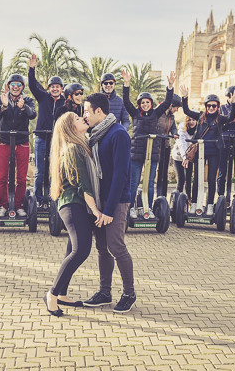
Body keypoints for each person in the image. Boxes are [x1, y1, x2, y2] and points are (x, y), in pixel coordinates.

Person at [81, 93, 136, 313]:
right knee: (102, 248)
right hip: (101, 200)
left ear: (99, 112)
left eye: (86, 111)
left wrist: (110, 209)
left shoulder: (118, 134)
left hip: (116, 201)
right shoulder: (96, 134)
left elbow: (121, 175)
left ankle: (129, 294)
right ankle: (105, 292)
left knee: (116, 247)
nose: (83, 115)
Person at [44, 112, 102, 316]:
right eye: (77, 119)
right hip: (73, 205)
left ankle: (62, 294)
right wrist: (95, 210)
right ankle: (51, 294)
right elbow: (83, 184)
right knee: (81, 250)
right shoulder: (74, 149)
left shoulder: (76, 146)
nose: (82, 119)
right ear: (70, 128)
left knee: (72, 251)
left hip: (72, 205)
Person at [121, 69, 176, 216]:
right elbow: (126, 101)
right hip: (137, 153)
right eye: (143, 102)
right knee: (134, 182)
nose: (145, 104)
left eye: (147, 102)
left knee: (150, 183)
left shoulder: (156, 113)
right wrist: (126, 84)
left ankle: (148, 209)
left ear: (151, 104)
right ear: (139, 104)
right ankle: (131, 208)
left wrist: (170, 86)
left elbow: (167, 102)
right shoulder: (135, 114)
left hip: (152, 153)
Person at [179, 84, 235, 212]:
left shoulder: (220, 119)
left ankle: (210, 205)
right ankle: (194, 204)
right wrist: (185, 98)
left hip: (214, 152)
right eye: (209, 105)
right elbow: (187, 111)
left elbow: (231, 118)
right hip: (200, 152)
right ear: (206, 106)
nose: (211, 108)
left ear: (217, 107)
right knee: (198, 180)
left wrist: (233, 104)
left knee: (211, 180)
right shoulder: (200, 116)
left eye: (214, 106)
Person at [0, 73, 37, 217]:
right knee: (2, 176)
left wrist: (24, 107)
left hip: (22, 141)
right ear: (8, 86)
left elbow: (32, 114)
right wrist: (3, 107)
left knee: (21, 178)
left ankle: (18, 205)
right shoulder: (1, 99)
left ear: (23, 87)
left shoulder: (28, 100)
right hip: (5, 141)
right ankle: (3, 205)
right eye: (13, 84)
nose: (16, 87)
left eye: (19, 85)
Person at [27, 55, 65, 207]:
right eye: (52, 86)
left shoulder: (64, 102)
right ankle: (37, 199)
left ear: (61, 89)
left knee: (54, 170)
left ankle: (52, 198)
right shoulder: (42, 97)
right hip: (41, 138)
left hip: (57, 140)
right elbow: (31, 85)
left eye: (58, 86)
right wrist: (31, 69)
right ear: (49, 88)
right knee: (40, 171)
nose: (55, 88)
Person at [218, 85, 235, 199]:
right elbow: (219, 127)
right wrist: (229, 121)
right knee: (222, 172)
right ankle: (221, 196)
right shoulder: (221, 108)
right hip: (225, 141)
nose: (232, 98)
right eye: (230, 96)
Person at [155, 94, 181, 198]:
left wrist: (175, 133)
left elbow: (173, 128)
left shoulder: (171, 117)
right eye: (176, 108)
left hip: (165, 145)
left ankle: (163, 197)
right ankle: (157, 195)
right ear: (170, 105)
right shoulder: (157, 113)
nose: (177, 110)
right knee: (157, 172)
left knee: (164, 173)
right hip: (155, 146)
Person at [172, 117, 197, 193]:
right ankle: (177, 198)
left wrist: (187, 157)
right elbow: (182, 143)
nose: (191, 122)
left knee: (188, 179)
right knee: (181, 179)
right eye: (189, 120)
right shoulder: (182, 129)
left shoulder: (198, 129)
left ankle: (188, 199)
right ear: (186, 121)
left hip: (189, 157)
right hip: (179, 155)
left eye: (193, 120)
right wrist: (184, 157)